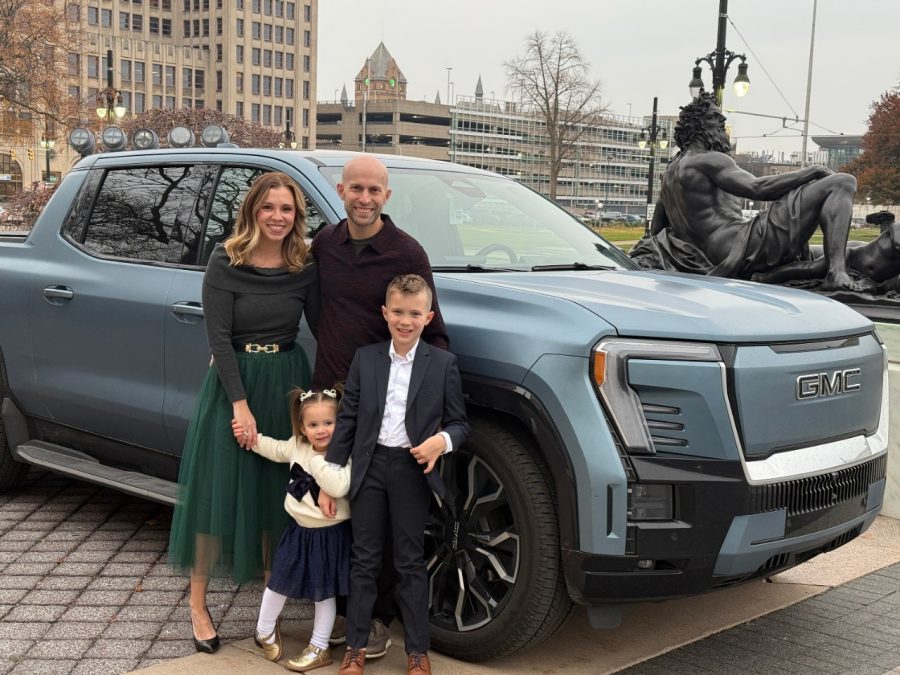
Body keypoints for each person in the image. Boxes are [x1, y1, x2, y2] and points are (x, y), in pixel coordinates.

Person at [168, 172, 318, 653]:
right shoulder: (225, 259)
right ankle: (197, 605)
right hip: (236, 385)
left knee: (277, 495)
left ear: (297, 216)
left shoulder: (303, 264)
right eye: (268, 207)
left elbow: (324, 324)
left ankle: (269, 611)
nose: (278, 217)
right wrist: (240, 405)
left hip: (287, 383)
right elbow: (218, 338)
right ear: (252, 210)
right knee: (217, 493)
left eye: (287, 209)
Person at [310, 153, 450, 657]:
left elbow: (434, 333)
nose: (364, 198)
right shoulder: (324, 244)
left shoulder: (407, 253)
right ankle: (343, 610)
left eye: (374, 191)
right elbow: (313, 307)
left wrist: (427, 415)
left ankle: (378, 619)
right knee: (335, 507)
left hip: (382, 404)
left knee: (384, 523)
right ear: (341, 191)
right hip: (330, 398)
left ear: (386, 197)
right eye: (356, 189)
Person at [325, 274, 469, 675]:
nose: (406, 321)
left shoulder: (442, 364)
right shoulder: (366, 358)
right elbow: (348, 419)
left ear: (428, 317)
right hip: (370, 467)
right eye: (399, 313)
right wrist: (330, 479)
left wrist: (441, 442)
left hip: (410, 470)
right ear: (385, 313)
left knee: (409, 561)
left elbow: (461, 424)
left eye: (415, 314)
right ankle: (355, 647)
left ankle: (417, 652)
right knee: (364, 559)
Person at [629, 92, 872, 293]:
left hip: (716, 255)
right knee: (842, 182)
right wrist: (813, 171)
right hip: (740, 244)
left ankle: (822, 267)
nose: (722, 122)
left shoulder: (670, 173)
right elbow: (758, 188)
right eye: (714, 117)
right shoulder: (709, 159)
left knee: (852, 249)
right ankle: (836, 273)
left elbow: (657, 231)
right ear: (697, 125)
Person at [232, 388, 352, 673]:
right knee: (279, 581)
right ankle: (264, 631)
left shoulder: (345, 455)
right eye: (313, 424)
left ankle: (319, 646)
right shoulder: (297, 446)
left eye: (328, 423)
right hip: (298, 531)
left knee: (324, 592)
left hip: (330, 535)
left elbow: (338, 487)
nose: (321, 430)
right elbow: (274, 449)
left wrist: (316, 462)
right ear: (302, 427)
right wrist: (250, 438)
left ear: (340, 423)